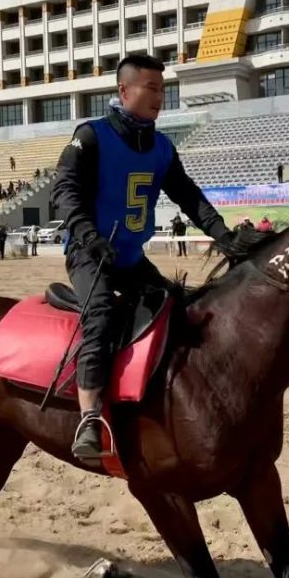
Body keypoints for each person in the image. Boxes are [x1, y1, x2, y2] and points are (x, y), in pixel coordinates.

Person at [52, 54, 236, 460]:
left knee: (176, 306)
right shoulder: (92, 136)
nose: (159, 97)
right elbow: (63, 191)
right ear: (124, 90)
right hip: (90, 254)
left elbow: (189, 197)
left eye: (162, 89)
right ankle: (89, 417)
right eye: (151, 88)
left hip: (131, 258)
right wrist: (88, 236)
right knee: (100, 311)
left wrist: (223, 235)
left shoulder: (162, 147)